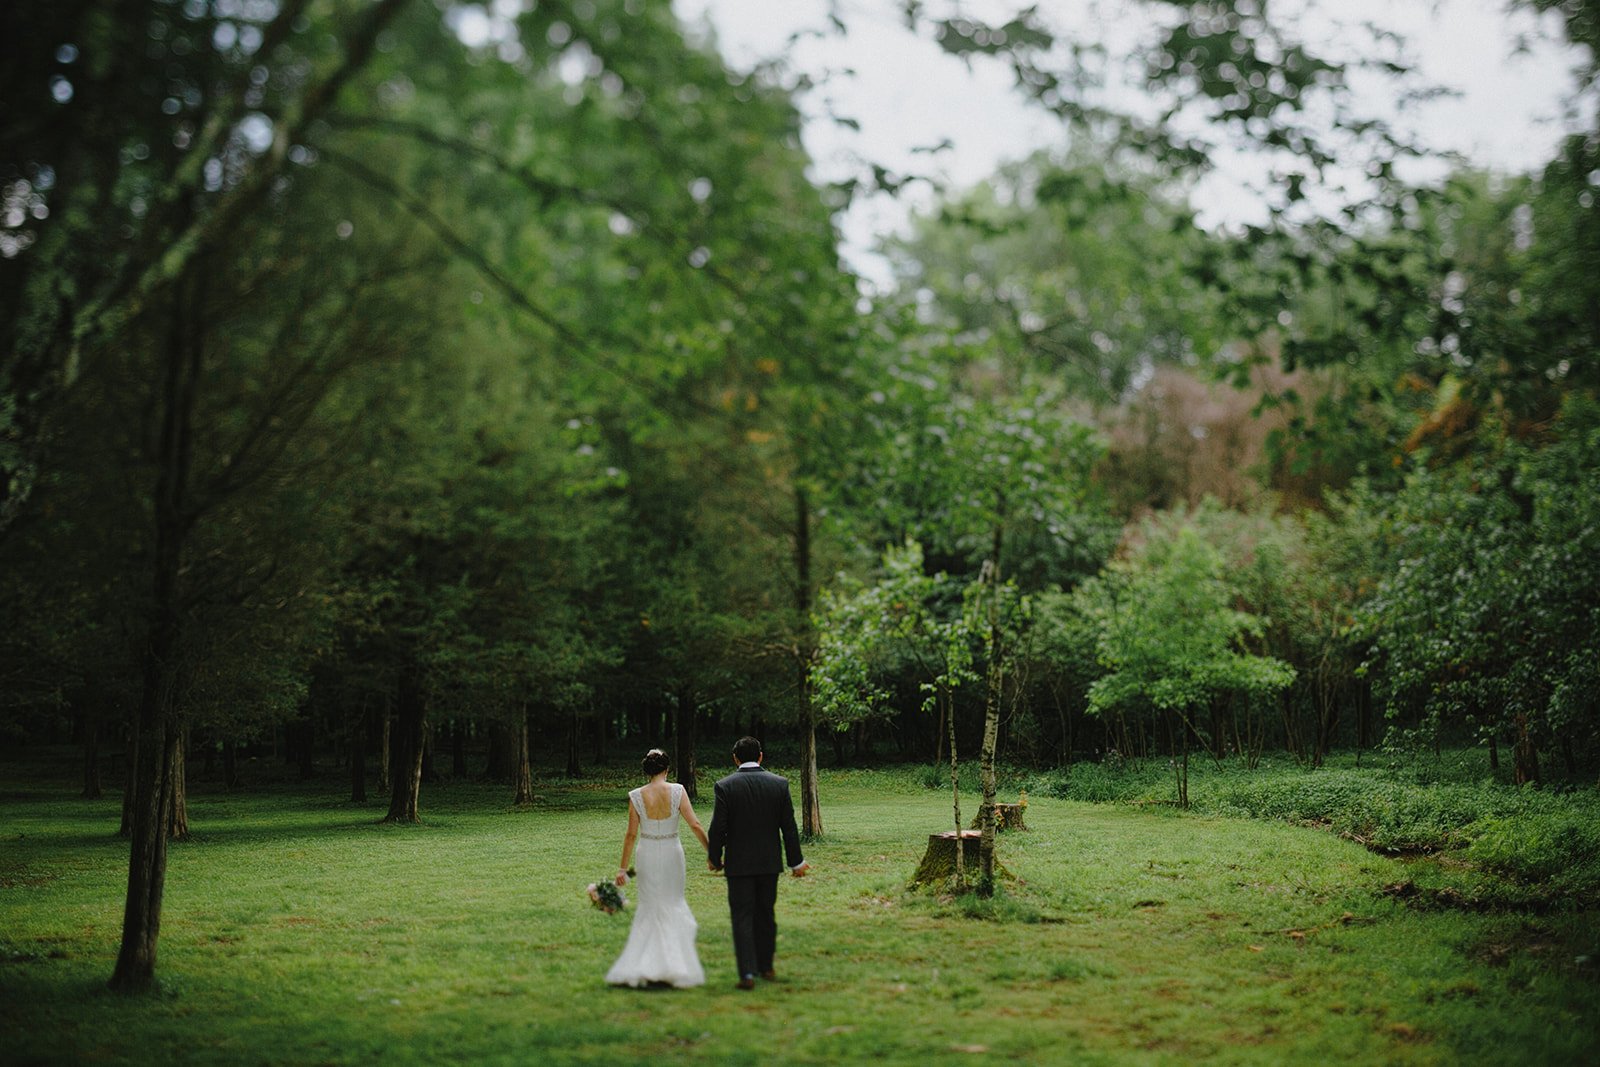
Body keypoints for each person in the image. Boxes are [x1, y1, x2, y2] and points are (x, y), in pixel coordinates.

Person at [706, 736, 809, 990]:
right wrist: (796, 862)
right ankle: (767, 966)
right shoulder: (779, 784)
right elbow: (789, 828)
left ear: (735, 758)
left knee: (742, 916)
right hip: (768, 862)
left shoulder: (725, 786)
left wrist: (715, 857)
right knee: (766, 914)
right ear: (760, 756)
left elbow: (718, 828)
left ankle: (747, 973)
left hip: (738, 864)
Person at [605, 748, 710, 988]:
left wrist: (622, 869)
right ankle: (671, 965)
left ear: (646, 770)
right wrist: (712, 853)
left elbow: (631, 835)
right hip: (672, 852)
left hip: (648, 853)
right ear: (667, 769)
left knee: (650, 905)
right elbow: (694, 824)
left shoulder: (636, 796)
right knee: (672, 902)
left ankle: (648, 965)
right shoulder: (678, 791)